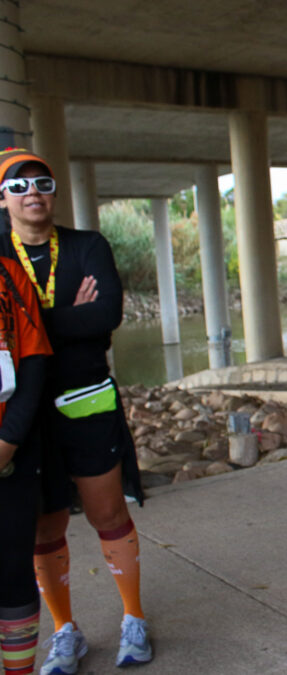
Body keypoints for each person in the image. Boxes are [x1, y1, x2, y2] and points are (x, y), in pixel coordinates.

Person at [0, 148, 151, 674]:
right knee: (44, 528)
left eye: (42, 183)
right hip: (24, 414)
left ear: (55, 192)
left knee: (108, 514)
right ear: (2, 198)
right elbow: (79, 321)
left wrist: (29, 322)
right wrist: (69, 316)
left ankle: (133, 616)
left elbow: (106, 315)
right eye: (18, 186)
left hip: (86, 400)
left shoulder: (88, 245)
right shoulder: (0, 252)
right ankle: (66, 630)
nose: (32, 193)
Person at [0, 245, 53, 674]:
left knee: (13, 573)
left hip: (10, 455)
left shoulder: (10, 276)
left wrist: (7, 442)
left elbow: (33, 364)